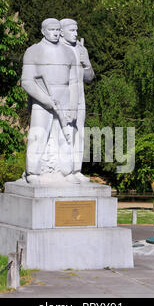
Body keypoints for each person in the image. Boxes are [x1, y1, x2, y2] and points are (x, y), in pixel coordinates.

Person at [20, 18, 79, 184]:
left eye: (57, 29)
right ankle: (32, 172)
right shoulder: (33, 51)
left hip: (65, 100)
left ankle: (67, 172)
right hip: (43, 99)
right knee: (38, 135)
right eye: (51, 29)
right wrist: (46, 100)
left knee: (66, 138)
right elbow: (27, 81)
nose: (55, 32)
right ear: (43, 31)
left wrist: (73, 107)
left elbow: (74, 82)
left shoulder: (69, 53)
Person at [59, 18, 95, 183]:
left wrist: (86, 64)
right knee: (64, 133)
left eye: (76, 30)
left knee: (79, 133)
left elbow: (89, 78)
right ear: (61, 31)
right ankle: (62, 170)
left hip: (80, 97)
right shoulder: (56, 49)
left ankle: (76, 169)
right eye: (72, 30)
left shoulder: (81, 49)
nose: (75, 33)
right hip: (64, 98)